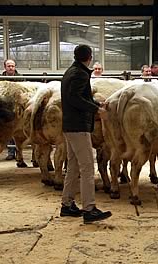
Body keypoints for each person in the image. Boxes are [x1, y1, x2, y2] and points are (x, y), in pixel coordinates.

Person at [60, 44, 112, 224]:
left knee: (73, 167)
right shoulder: (80, 74)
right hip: (79, 127)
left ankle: (67, 205)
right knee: (87, 167)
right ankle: (89, 209)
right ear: (89, 57)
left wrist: (97, 104)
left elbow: (77, 96)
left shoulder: (71, 72)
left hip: (69, 126)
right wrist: (96, 110)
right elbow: (75, 99)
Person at [0, 59, 24, 160]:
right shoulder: (0, 79)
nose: (11, 68)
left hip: (18, 106)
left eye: (12, 66)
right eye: (9, 66)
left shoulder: (20, 78)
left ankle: (19, 153)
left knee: (19, 132)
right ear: (5, 67)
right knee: (8, 131)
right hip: (5, 108)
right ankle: (11, 152)